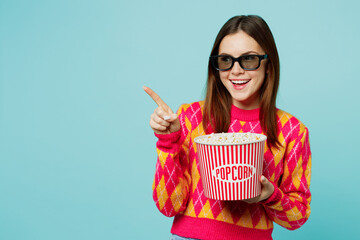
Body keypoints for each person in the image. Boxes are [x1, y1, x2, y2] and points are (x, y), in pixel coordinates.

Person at [144, 15, 311, 240]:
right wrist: (168, 141)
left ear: (268, 64)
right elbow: (168, 206)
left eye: (249, 59)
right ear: (216, 67)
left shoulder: (292, 131)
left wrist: (269, 196)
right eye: (225, 60)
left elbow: (298, 217)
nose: (236, 70)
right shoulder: (189, 117)